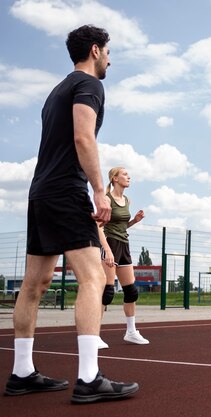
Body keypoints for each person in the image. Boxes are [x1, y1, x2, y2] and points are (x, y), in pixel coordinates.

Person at [4, 25, 139, 404]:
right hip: (65, 189)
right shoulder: (89, 85)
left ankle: (22, 372)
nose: (110, 58)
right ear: (95, 51)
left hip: (40, 192)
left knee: (35, 283)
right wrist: (99, 190)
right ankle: (89, 377)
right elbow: (84, 137)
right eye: (108, 51)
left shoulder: (55, 91)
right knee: (94, 275)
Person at [97, 167, 149, 348]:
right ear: (115, 178)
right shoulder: (106, 199)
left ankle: (131, 332)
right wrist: (107, 251)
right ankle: (93, 334)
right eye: (125, 174)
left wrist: (134, 221)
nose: (129, 177)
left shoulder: (126, 200)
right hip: (109, 244)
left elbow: (121, 226)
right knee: (107, 293)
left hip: (123, 244)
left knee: (131, 291)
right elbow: (98, 226)